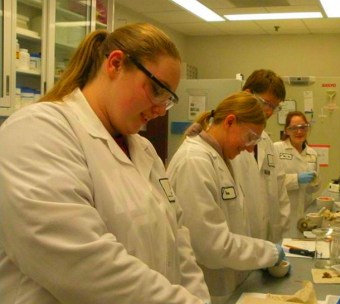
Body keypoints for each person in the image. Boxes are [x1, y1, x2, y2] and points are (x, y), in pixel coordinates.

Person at [0, 23, 210, 304]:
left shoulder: (143, 149)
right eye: (157, 90)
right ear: (115, 64)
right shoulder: (38, 130)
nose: (160, 110)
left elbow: (179, 243)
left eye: (168, 99)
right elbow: (80, 262)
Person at [166, 92, 288, 303]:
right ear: (230, 121)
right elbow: (211, 246)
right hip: (207, 288)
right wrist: (268, 252)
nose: (250, 148)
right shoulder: (194, 161)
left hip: (231, 283)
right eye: (250, 138)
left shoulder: (220, 157)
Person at [231, 69, 291, 243]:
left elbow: (280, 192)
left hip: (266, 242)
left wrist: (283, 241)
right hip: (239, 245)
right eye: (267, 104)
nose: (270, 112)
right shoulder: (227, 140)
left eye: (275, 107)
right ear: (248, 94)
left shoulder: (265, 140)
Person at [273, 111, 320, 238]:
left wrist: (315, 183)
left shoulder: (312, 153)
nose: (299, 132)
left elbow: (313, 188)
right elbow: (272, 181)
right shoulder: (276, 149)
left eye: (303, 127)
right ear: (286, 131)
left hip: (304, 211)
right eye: (294, 128)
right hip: (284, 213)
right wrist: (296, 179)